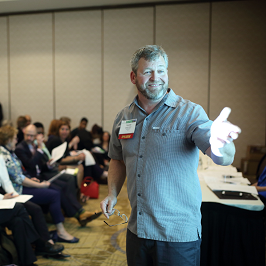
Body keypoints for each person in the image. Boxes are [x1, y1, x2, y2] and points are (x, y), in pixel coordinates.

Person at [99, 45, 241, 266]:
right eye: (147, 71)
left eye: (161, 70)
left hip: (177, 236)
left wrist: (222, 142)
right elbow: (117, 159)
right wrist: (112, 194)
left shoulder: (190, 113)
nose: (156, 77)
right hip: (137, 231)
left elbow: (222, 157)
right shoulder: (123, 117)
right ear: (133, 77)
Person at [0, 126, 78, 242]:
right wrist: (39, 185)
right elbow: (18, 178)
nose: (16, 140)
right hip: (17, 190)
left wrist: (31, 179)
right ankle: (61, 232)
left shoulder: (9, 152)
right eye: (14, 138)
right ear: (8, 139)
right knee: (53, 194)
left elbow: (21, 174)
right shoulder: (4, 154)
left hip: (21, 185)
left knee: (56, 190)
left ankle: (59, 230)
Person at [15, 124, 101, 226]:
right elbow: (30, 164)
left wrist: (48, 164)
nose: (29, 138)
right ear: (24, 133)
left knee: (66, 182)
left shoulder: (35, 146)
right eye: (27, 135)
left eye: (32, 136)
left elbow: (40, 166)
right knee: (59, 188)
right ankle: (78, 214)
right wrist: (39, 149)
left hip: (42, 174)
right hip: (33, 179)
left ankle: (79, 213)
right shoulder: (20, 148)